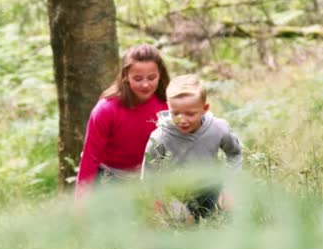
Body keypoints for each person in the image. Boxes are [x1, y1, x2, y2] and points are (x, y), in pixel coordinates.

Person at [74, 44, 170, 200]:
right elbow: (90, 157)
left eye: (152, 77)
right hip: (109, 178)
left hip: (150, 177)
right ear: (126, 76)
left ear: (160, 75)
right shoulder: (106, 109)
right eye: (138, 78)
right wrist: (81, 200)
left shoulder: (167, 105)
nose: (145, 84)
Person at [141, 74, 242, 222]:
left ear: (204, 109)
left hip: (211, 188)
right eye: (176, 113)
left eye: (190, 114)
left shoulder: (218, 129)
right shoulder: (161, 138)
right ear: (168, 108)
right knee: (186, 224)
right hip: (176, 193)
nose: (182, 119)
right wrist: (166, 202)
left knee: (227, 216)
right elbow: (150, 175)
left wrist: (229, 188)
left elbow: (234, 154)